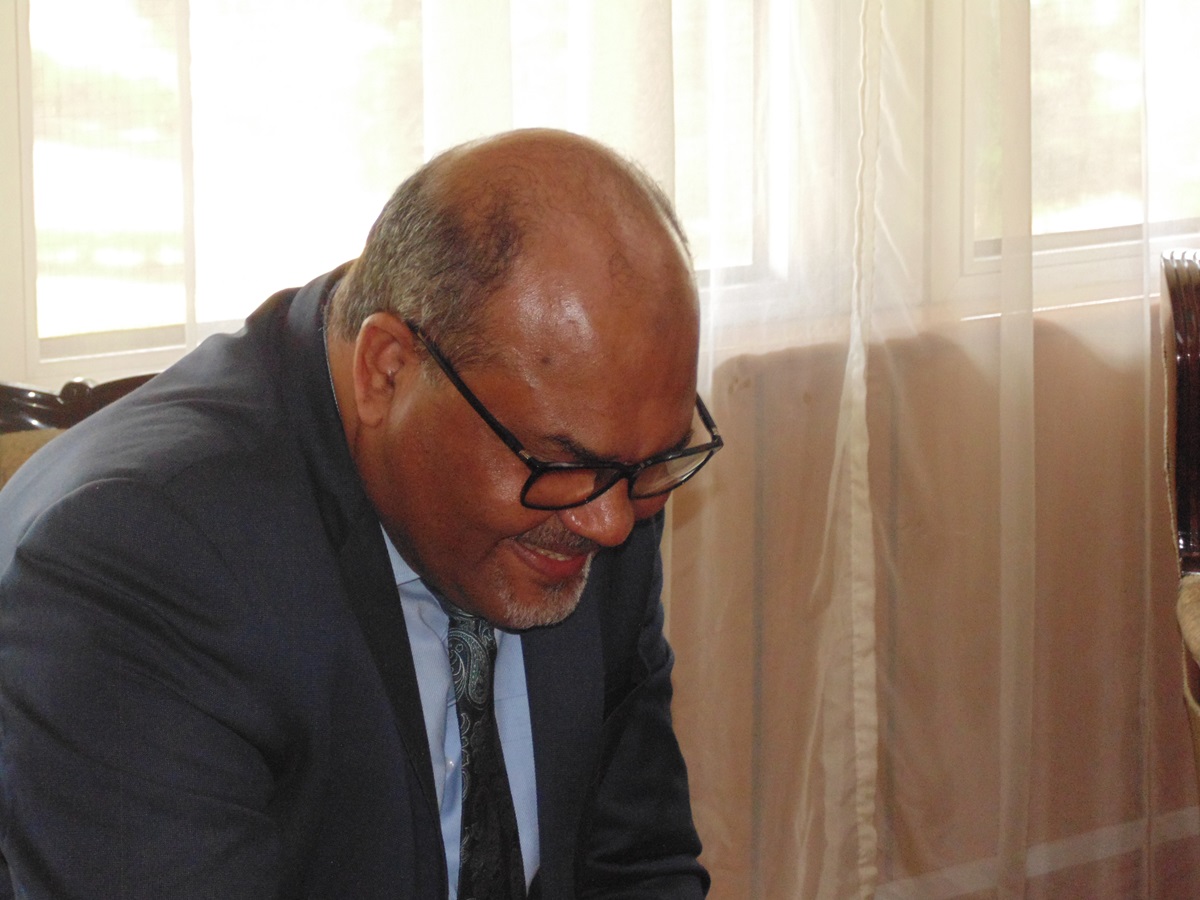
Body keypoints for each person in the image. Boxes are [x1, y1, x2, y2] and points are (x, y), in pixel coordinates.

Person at [0, 129, 720, 898]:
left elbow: (637, 867)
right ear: (387, 370)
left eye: (652, 461)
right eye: (562, 462)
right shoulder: (143, 564)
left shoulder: (605, 474)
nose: (613, 524)